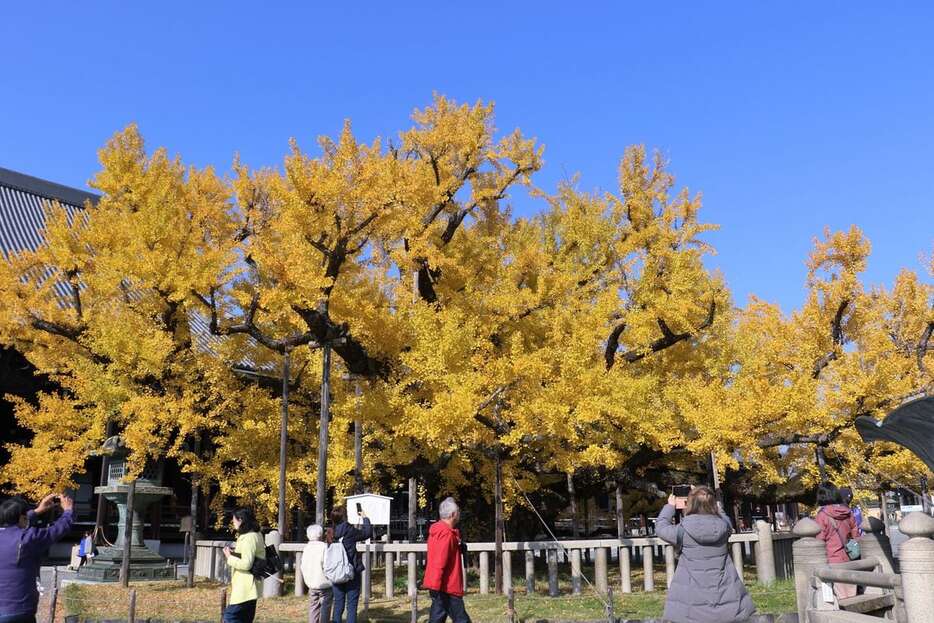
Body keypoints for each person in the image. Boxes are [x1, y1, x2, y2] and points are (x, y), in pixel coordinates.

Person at [656, 486, 755, 623]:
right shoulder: (724, 527)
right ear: (714, 504)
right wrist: (719, 509)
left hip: (691, 604)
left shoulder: (682, 531)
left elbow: (661, 527)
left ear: (689, 504)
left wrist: (670, 506)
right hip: (726, 597)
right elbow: (726, 520)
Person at [0, 493, 74, 623]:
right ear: (22, 518)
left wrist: (37, 511)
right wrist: (68, 511)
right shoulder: (27, 539)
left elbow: (17, 521)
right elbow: (58, 530)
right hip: (19, 610)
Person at [423, 497, 469, 623]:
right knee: (461, 620)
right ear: (453, 514)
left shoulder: (440, 531)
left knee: (437, 618)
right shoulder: (446, 534)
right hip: (447, 585)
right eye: (458, 511)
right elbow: (440, 560)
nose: (459, 514)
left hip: (441, 584)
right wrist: (436, 585)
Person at [815, 483, 860, 599]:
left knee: (840, 598)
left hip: (832, 560)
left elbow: (819, 540)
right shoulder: (847, 512)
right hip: (849, 557)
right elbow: (855, 534)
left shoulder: (822, 516)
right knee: (852, 595)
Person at [222, 508, 265, 623]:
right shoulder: (256, 534)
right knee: (244, 619)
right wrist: (234, 554)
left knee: (230, 617)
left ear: (241, 520)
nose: (233, 523)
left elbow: (246, 564)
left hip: (245, 588)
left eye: (234, 521)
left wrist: (229, 557)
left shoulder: (249, 537)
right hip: (250, 587)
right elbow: (248, 556)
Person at [331, 506, 372, 623]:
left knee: (338, 604)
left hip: (336, 572)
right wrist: (364, 517)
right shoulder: (349, 530)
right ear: (344, 516)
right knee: (352, 606)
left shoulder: (330, 532)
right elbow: (367, 532)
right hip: (351, 571)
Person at [301, 524, 332, 623]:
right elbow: (327, 564)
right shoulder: (324, 547)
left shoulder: (306, 548)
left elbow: (303, 566)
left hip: (311, 583)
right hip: (324, 582)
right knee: (325, 607)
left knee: (313, 606)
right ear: (320, 534)